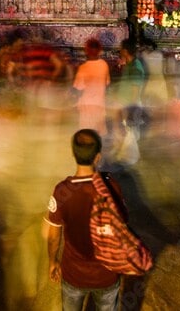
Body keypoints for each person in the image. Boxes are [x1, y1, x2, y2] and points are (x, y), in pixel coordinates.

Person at [45, 129, 124, 311]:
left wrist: (53, 261)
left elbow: (54, 236)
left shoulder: (62, 191)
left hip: (74, 276)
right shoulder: (112, 186)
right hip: (107, 275)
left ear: (73, 154)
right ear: (97, 157)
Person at [72, 38, 110, 137]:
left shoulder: (83, 68)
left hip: (87, 107)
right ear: (99, 51)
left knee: (87, 135)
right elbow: (107, 84)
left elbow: (78, 89)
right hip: (100, 105)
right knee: (98, 135)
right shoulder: (104, 65)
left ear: (86, 51)